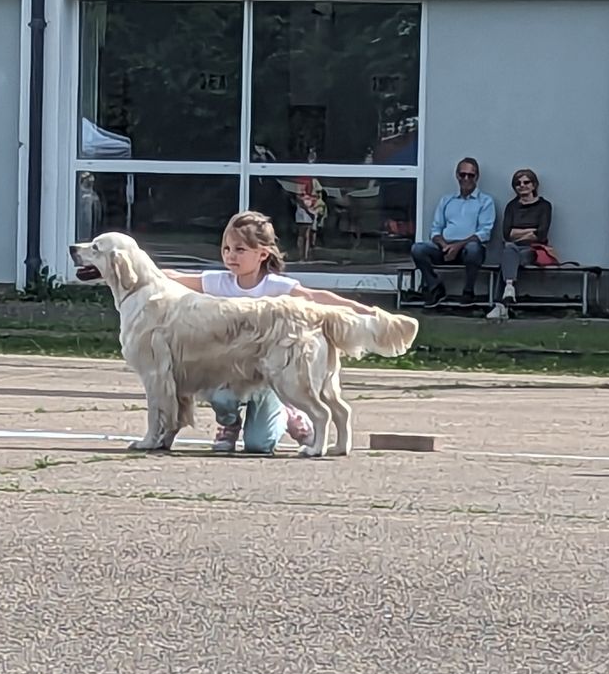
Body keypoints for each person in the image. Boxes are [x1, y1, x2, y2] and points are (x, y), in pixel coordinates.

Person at [163, 210, 377, 454]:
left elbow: (315, 297)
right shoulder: (217, 282)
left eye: (240, 250)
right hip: (230, 374)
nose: (231, 256)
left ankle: (290, 413)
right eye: (226, 249)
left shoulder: (275, 286)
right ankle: (229, 425)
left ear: (262, 254)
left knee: (258, 445)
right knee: (219, 396)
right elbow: (175, 278)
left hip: (268, 377)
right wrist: (141, 269)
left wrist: (363, 310)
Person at [410, 157, 496, 308]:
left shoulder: (485, 201)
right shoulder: (446, 200)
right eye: (462, 174)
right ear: (457, 175)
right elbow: (435, 230)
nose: (466, 178)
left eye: (471, 175)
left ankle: (468, 291)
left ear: (477, 177)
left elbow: (484, 233)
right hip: (445, 248)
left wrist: (458, 246)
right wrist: (444, 245)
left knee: (474, 248)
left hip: (468, 250)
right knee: (418, 248)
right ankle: (435, 287)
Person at [487, 168, 553, 321]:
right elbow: (506, 234)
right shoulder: (511, 206)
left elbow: (541, 234)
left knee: (507, 256)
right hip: (512, 248)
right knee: (509, 251)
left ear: (534, 185)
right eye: (518, 183)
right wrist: (530, 231)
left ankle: (500, 305)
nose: (522, 186)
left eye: (526, 182)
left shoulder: (544, 206)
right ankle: (508, 290)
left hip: (533, 249)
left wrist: (518, 233)